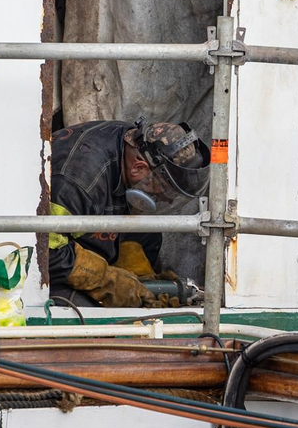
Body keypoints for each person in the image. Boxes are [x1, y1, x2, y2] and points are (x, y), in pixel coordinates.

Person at [46, 119, 210, 308]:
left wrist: (142, 279)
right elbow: (47, 252)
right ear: (138, 168)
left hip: (89, 233)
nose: (166, 199)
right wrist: (109, 281)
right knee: (84, 311)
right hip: (51, 268)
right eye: (164, 189)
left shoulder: (129, 145)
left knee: (149, 234)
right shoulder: (76, 181)